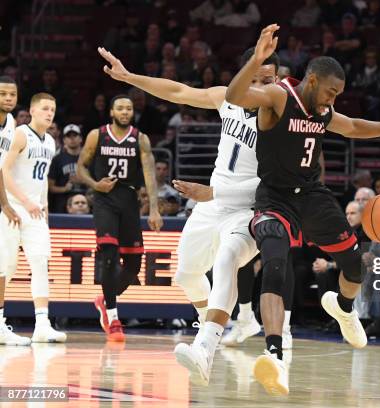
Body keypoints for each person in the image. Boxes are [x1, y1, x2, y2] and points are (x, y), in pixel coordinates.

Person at [225, 24, 380, 395]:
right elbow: (234, 94)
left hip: (312, 195)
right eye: (330, 91)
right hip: (275, 197)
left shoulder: (323, 111)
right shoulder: (279, 96)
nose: (333, 99)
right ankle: (274, 354)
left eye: (338, 94)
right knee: (276, 262)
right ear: (311, 80)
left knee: (355, 264)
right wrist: (258, 60)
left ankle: (343, 307)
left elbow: (356, 126)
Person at [97, 45, 286, 384]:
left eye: (267, 80)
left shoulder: (281, 119)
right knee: (186, 275)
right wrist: (128, 77)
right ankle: (215, 321)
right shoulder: (227, 98)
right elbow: (177, 91)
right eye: (253, 78)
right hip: (211, 203)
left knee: (227, 258)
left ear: (278, 81)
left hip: (247, 206)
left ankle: (206, 344)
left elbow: (276, 181)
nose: (259, 86)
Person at [77, 94, 163, 342]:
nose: (125, 112)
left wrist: (154, 209)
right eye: (120, 108)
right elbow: (81, 167)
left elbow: (149, 174)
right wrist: (95, 184)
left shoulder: (140, 139)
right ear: (111, 112)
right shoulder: (97, 134)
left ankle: (104, 300)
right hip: (104, 200)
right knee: (108, 254)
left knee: (134, 266)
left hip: (129, 201)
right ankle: (113, 318)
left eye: (129, 108)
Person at [1, 92, 67, 343]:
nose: (50, 113)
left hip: (36, 211)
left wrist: (45, 212)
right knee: (5, 266)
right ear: (33, 111)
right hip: (12, 207)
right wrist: (24, 201)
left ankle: (42, 324)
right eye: (45, 109)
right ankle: (0, 324)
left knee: (40, 263)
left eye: (53, 109)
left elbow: (42, 183)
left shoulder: (50, 142)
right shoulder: (19, 134)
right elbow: (3, 170)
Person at [0, 75, 25, 346]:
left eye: (12, 94)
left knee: (1, 266)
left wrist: (5, 203)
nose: (8, 98)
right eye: (3, 93)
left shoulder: (10, 125)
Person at [48, 124, 85, 213]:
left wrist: (83, 180)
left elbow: (97, 183)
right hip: (62, 203)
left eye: (75, 135)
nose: (72, 139)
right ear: (64, 140)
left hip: (84, 201)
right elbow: (49, 187)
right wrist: (64, 188)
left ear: (80, 138)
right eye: (68, 136)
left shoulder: (89, 158)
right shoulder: (57, 159)